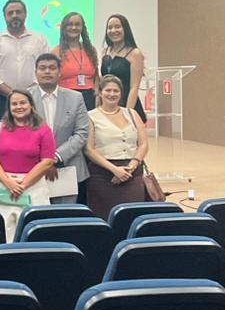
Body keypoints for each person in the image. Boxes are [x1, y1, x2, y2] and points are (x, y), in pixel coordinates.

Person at [0, 90, 56, 235]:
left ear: (31, 105)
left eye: (23, 102)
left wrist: (23, 185)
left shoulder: (44, 130)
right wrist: (8, 182)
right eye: (14, 104)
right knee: (4, 232)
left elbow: (47, 161)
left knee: (34, 232)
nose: (19, 107)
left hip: (33, 187)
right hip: (3, 187)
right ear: (9, 107)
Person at [84, 73, 149, 219]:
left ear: (121, 93)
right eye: (108, 90)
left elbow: (143, 144)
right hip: (103, 175)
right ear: (100, 93)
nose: (112, 94)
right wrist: (115, 170)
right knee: (104, 218)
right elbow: (89, 149)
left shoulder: (132, 114)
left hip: (132, 173)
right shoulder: (90, 116)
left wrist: (131, 167)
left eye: (116, 91)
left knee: (133, 216)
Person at [28, 53, 90, 205]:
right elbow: (20, 133)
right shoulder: (25, 98)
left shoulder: (75, 98)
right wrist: (44, 160)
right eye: (42, 68)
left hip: (68, 167)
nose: (47, 72)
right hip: (33, 169)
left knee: (65, 219)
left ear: (60, 72)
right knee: (38, 218)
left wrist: (55, 157)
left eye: (52, 68)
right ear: (36, 72)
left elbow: (81, 133)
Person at [0, 0, 50, 125]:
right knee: (3, 139)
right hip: (2, 100)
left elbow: (46, 68)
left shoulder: (39, 40)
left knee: (33, 136)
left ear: (25, 14)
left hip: (34, 99)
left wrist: (28, 93)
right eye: (10, 13)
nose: (14, 16)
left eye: (18, 12)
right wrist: (13, 94)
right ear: (4, 16)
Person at [101, 13, 148, 122]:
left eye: (117, 27)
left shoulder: (135, 54)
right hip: (109, 106)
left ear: (125, 29)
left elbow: (134, 87)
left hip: (128, 106)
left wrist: (127, 114)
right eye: (110, 28)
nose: (113, 30)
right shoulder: (105, 52)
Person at [53, 12, 99, 111]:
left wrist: (97, 94)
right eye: (70, 24)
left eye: (77, 24)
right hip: (66, 97)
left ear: (82, 28)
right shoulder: (56, 52)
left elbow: (96, 76)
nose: (74, 27)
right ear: (64, 28)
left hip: (89, 98)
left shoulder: (91, 50)